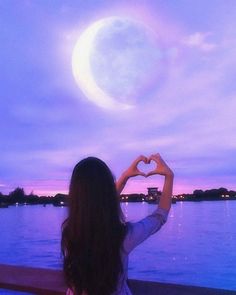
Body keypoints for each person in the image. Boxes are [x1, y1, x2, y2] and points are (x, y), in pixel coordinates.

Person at [61, 153, 174, 295]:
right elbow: (160, 216)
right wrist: (169, 176)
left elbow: (97, 205)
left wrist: (125, 177)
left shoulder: (69, 233)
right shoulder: (122, 237)